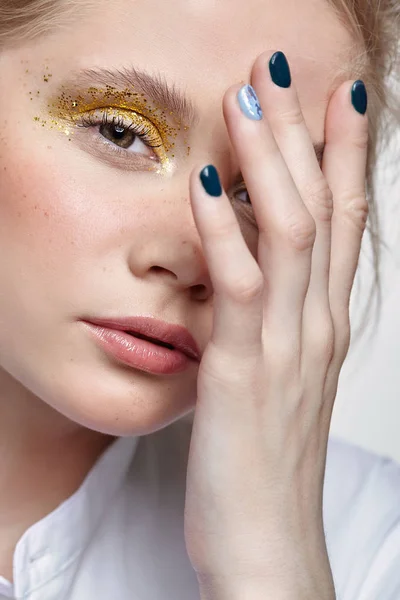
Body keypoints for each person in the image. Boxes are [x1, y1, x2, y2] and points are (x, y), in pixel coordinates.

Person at [0, 0, 399, 598]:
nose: (198, 256)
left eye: (263, 191)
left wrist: (271, 559)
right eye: (121, 132)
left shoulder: (372, 541)